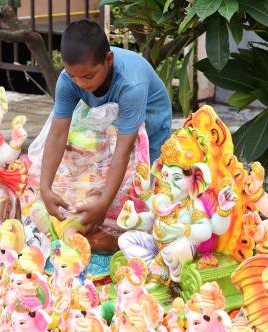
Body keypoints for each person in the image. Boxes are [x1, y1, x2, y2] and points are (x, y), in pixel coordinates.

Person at [40, 20, 172, 229]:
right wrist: (45, 187)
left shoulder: (131, 85)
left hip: (151, 122)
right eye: (74, 77)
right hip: (113, 122)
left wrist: (103, 204)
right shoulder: (67, 80)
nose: (81, 84)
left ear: (108, 59)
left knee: (147, 186)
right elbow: (57, 134)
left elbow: (124, 149)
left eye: (89, 76)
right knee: (99, 170)